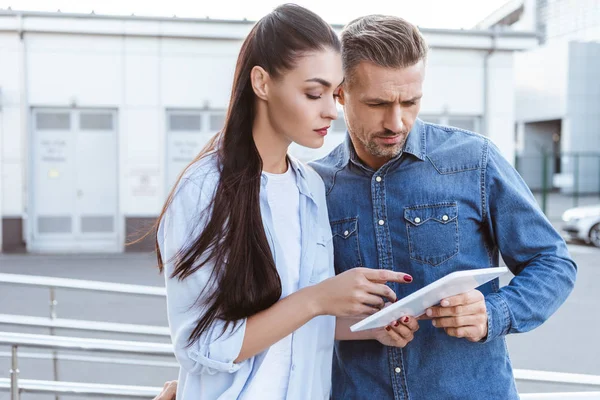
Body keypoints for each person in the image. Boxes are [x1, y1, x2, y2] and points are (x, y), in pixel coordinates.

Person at [308, 14, 577, 399]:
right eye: (377, 103)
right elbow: (296, 306)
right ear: (340, 93)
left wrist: (493, 312)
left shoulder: (474, 160)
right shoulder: (315, 186)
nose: (396, 121)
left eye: (410, 101)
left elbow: (553, 262)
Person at [154, 5, 416, 400]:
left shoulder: (309, 186)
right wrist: (317, 299)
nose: (331, 109)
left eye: (335, 92)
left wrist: (369, 325)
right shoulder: (203, 190)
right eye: (314, 93)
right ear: (261, 82)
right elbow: (201, 347)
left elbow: (293, 328)